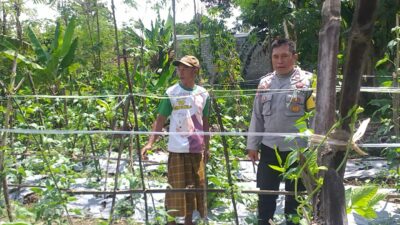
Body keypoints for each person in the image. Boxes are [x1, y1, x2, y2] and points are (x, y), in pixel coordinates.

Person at [246, 38, 315, 225]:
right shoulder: (265, 83)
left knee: (295, 200)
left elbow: (316, 117)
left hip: (298, 152)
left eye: (285, 56)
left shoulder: (307, 82)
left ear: (295, 57)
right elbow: (257, 116)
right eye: (275, 56)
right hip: (269, 150)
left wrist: (316, 148)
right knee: (266, 199)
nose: (280, 61)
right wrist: (252, 145)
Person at [141, 55, 210, 225]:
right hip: (177, 150)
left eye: (185, 68)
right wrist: (151, 142)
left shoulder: (203, 94)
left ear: (195, 71)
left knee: (194, 190)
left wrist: (206, 147)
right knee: (175, 190)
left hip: (196, 150)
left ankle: (188, 221)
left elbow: (205, 122)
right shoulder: (171, 93)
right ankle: (171, 222)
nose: (181, 71)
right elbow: (160, 119)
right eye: (179, 68)